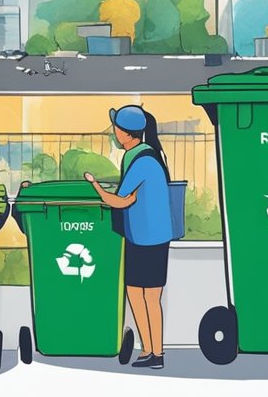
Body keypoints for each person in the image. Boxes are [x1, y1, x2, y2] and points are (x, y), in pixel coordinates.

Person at [85, 105, 172, 370]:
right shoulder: (141, 155)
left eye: (116, 128)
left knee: (150, 296)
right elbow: (132, 196)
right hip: (141, 236)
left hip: (151, 239)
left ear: (125, 132)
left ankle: (157, 352)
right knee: (135, 293)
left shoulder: (142, 159)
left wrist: (94, 184)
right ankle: (148, 349)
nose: (114, 132)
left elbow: (120, 200)